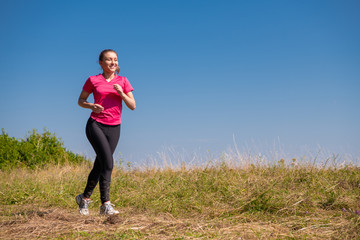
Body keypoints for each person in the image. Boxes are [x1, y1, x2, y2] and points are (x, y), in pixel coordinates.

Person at [76, 49, 136, 215]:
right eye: (109, 60)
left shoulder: (123, 81)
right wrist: (91, 106)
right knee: (108, 163)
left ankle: (84, 198)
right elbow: (80, 100)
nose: (113, 63)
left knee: (101, 163)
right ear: (101, 63)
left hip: (115, 126)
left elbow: (133, 106)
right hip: (95, 124)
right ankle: (105, 204)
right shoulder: (93, 80)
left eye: (115, 60)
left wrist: (121, 93)